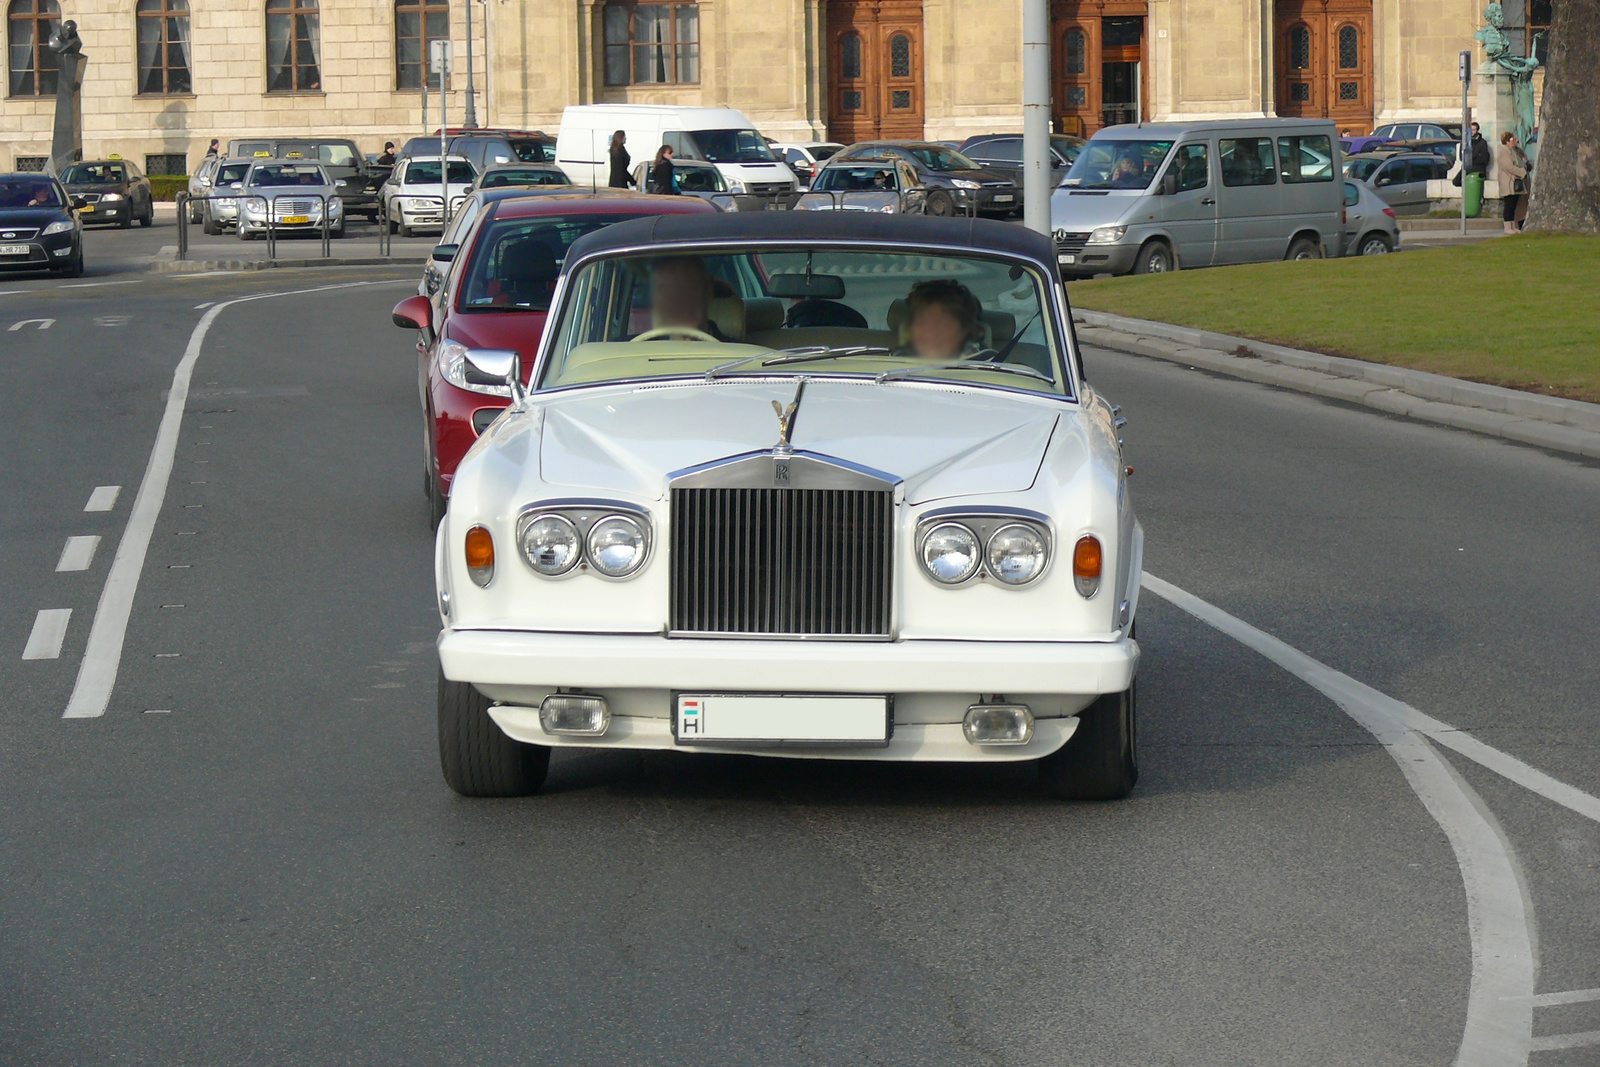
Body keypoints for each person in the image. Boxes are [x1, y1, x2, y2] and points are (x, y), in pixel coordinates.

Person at [899, 279, 985, 361]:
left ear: (964, 329)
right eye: (921, 321)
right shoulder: (892, 363)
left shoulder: (986, 370)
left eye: (940, 322)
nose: (929, 332)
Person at [647, 256, 726, 339]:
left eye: (687, 288)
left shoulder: (736, 350)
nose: (678, 300)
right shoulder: (639, 349)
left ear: (708, 293)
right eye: (667, 291)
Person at [1496, 130, 1529, 234]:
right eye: (1513, 140)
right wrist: (1522, 172)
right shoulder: (1504, 152)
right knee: (1509, 204)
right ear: (1507, 141)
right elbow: (1508, 167)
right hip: (1509, 182)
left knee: (1514, 204)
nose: (1515, 141)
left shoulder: (1514, 151)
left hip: (1515, 182)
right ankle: (1507, 227)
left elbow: (1520, 162)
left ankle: (1513, 225)